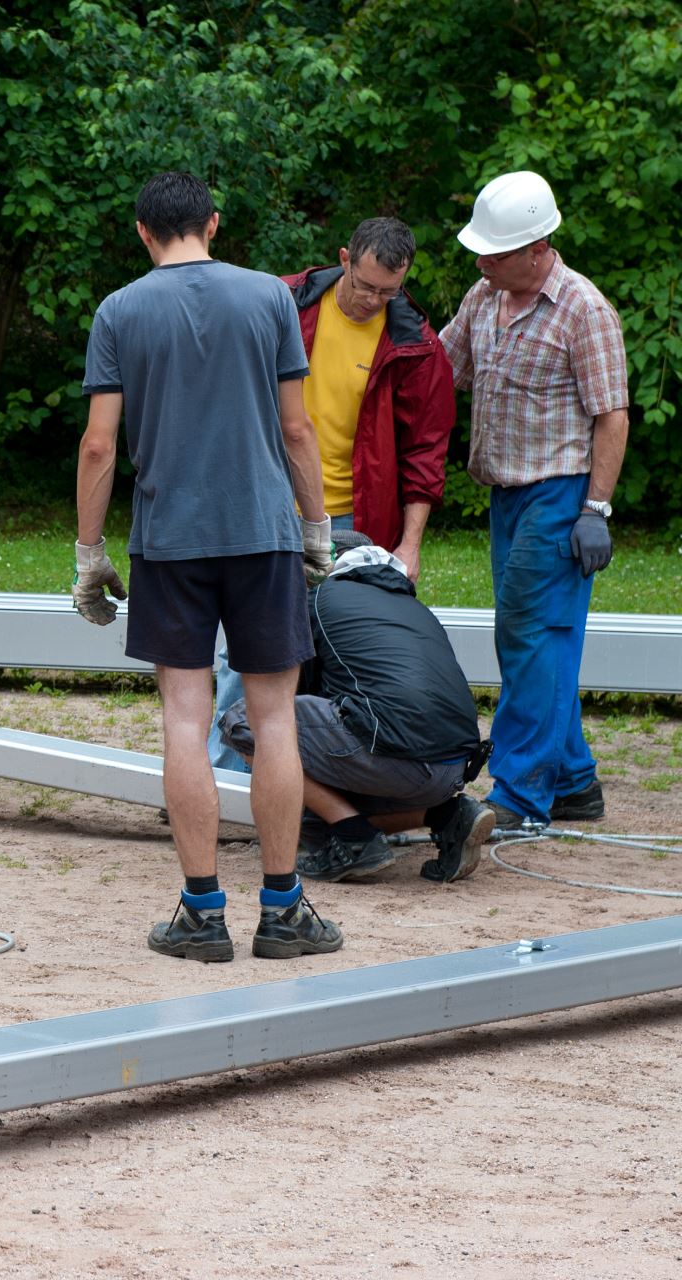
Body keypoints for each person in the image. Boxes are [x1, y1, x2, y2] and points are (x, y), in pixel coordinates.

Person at [72, 170, 341, 963]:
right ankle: (285, 910)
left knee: (186, 720)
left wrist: (90, 555)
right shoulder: (269, 299)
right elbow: (298, 431)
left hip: (170, 541)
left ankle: (202, 914)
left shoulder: (119, 310)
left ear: (141, 231)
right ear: (213, 224)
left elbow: (98, 445)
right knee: (275, 719)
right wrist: (318, 528)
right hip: (262, 534)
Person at [207, 217, 457, 772]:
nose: (373, 300)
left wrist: (409, 546)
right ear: (344, 258)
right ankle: (223, 781)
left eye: (388, 291)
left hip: (355, 519)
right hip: (264, 505)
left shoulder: (415, 344)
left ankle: (312, 790)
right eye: (366, 285)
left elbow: (425, 452)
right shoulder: (282, 304)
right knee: (240, 650)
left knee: (338, 654)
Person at [438, 171, 629, 829]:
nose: (481, 261)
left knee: (532, 639)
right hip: (508, 497)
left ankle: (520, 798)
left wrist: (594, 511)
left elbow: (613, 416)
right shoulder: (484, 297)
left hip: (560, 493)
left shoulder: (584, 310)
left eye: (494, 252)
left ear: (537, 246)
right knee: (532, 641)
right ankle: (574, 781)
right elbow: (442, 371)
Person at [218, 531, 495, 885]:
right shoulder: (412, 605)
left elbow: (287, 700)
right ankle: (447, 814)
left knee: (250, 721)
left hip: (396, 753)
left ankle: (355, 837)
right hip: (453, 768)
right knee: (312, 820)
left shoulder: (317, 601)